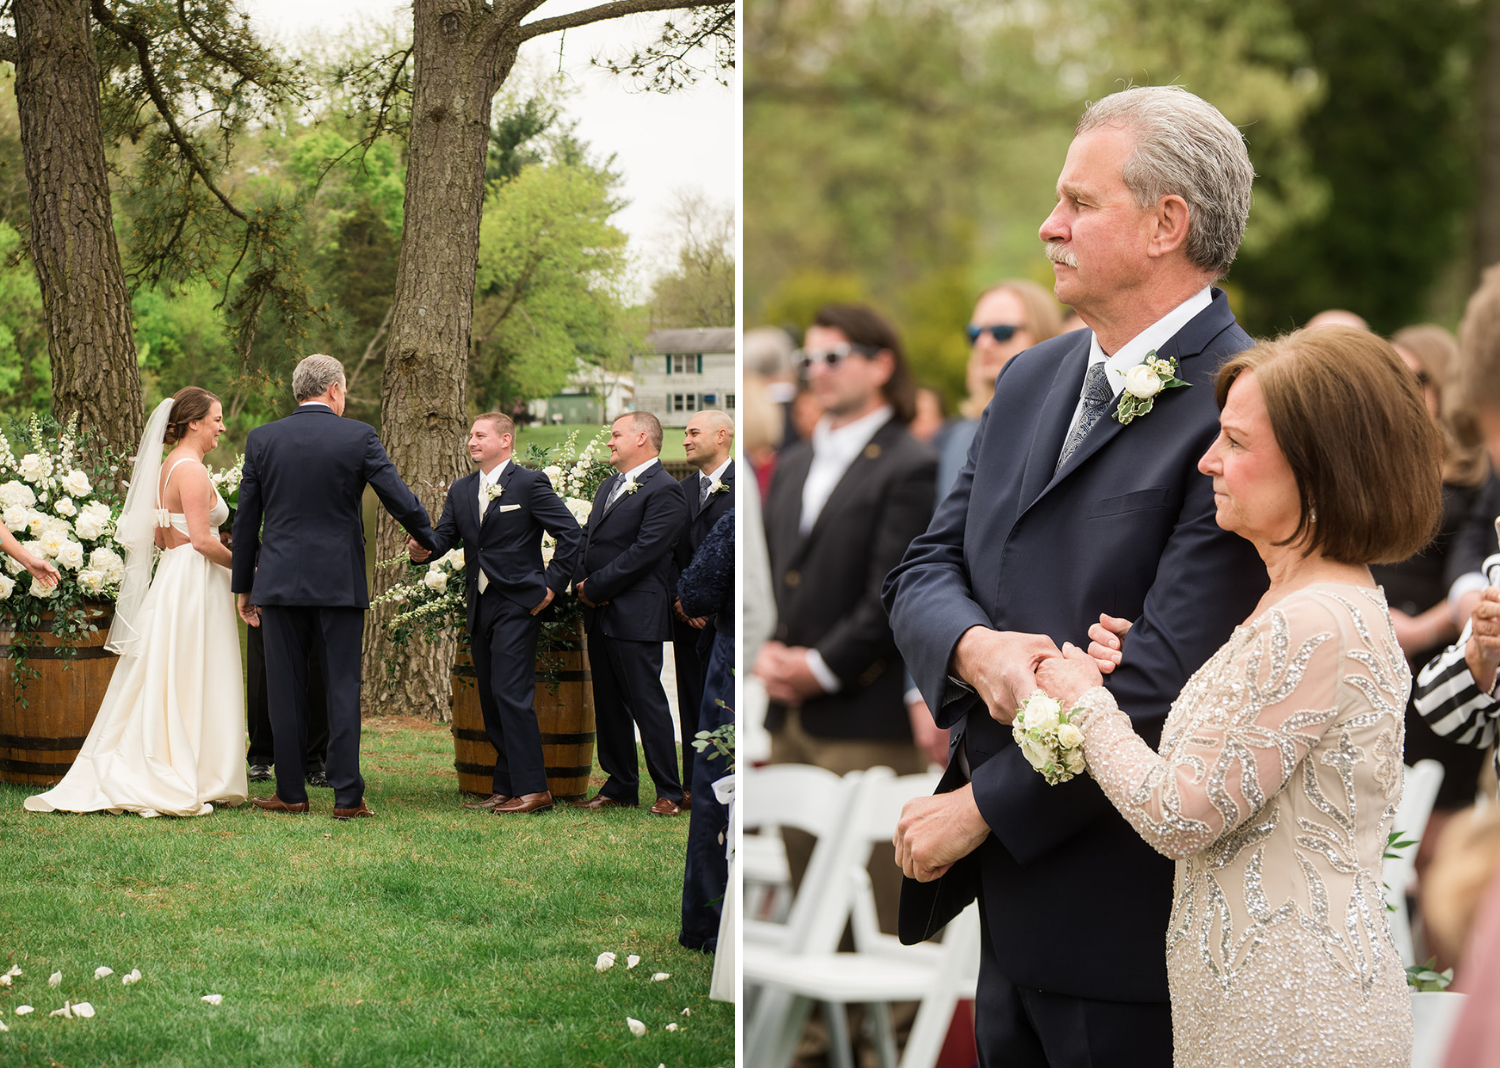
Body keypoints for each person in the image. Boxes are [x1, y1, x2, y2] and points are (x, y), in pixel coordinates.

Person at [883, 85, 1267, 1066]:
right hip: (1013, 925)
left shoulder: (1249, 408)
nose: (1050, 228)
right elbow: (926, 567)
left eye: (1079, 204)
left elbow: (1164, 679)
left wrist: (976, 812)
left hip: (1133, 917)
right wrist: (980, 653)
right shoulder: (1030, 379)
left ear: (1165, 223)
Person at [1033, 328, 1437, 1066]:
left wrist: (1085, 704)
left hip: (1291, 1011)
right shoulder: (1304, 605)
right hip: (1255, 992)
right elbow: (1239, 774)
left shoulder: (1313, 621)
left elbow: (1181, 817)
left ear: (1320, 469)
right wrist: (1120, 686)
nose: (1207, 460)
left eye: (1237, 443)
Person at [756, 301, 936, 935]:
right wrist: (769, 652)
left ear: (881, 364)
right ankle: (813, 1039)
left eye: (834, 357)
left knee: (883, 908)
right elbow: (779, 578)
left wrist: (822, 667)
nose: (818, 371)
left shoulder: (910, 464)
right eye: (809, 359)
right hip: (788, 714)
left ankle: (888, 1034)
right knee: (809, 910)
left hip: (864, 715)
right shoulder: (797, 460)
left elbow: (894, 592)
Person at [26, 388, 248, 816]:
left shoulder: (166, 467)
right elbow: (203, 541)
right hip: (195, 580)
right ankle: (191, 768)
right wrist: (248, 570)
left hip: (171, 576)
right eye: (217, 419)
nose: (223, 427)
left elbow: (161, 537)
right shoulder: (194, 472)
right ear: (194, 422)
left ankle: (180, 758)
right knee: (192, 667)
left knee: (170, 668)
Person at [232, 354, 436, 819]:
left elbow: (247, 521)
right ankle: (347, 797)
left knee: (284, 689)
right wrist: (429, 540)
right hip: (340, 582)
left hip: (279, 582)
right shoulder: (358, 435)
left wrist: (244, 585)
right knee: (342, 687)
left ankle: (291, 793)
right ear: (335, 390)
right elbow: (397, 496)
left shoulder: (263, 438)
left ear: (299, 391)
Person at [408, 412, 584, 814]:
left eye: (480, 435)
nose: (472, 441)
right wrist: (422, 551)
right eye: (470, 435)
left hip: (519, 603)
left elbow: (571, 534)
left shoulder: (530, 483)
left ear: (505, 440)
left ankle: (534, 790)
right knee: (491, 696)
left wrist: (552, 585)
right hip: (480, 604)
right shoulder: (462, 488)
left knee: (511, 693)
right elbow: (443, 539)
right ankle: (506, 787)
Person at [573, 411, 689, 815]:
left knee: (647, 702)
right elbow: (586, 540)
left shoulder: (665, 490)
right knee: (608, 702)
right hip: (599, 611)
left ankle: (669, 792)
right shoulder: (608, 486)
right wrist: (580, 583)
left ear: (642, 438)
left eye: (616, 434)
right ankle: (620, 784)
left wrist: (598, 586)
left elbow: (647, 552)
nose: (609, 441)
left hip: (636, 613)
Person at [937, 279, 1065, 495]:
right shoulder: (957, 435)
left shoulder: (1063, 428)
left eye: (1002, 332)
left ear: (1044, 334)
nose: (984, 344)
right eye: (975, 334)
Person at [670, 409, 735, 805]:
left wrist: (709, 605)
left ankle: (720, 778)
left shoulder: (740, 486)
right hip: (682, 613)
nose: (686, 440)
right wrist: (680, 599)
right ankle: (692, 783)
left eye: (694, 432)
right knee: (690, 697)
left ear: (721, 436)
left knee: (720, 700)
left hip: (722, 619)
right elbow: (670, 552)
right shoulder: (679, 491)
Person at [677, 507, 734, 952]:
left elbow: (696, 592)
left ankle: (711, 925)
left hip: (734, 659)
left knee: (720, 783)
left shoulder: (737, 518)